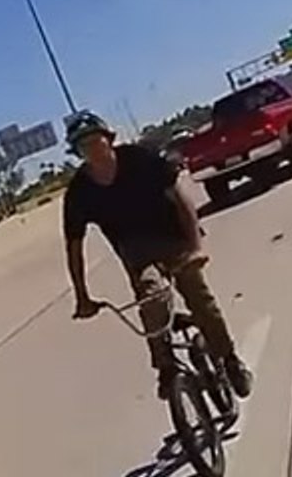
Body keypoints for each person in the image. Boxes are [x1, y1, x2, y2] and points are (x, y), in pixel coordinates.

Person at [63, 111, 253, 401]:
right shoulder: (80, 191)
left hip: (174, 236)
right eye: (83, 146)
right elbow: (74, 244)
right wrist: (82, 296)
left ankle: (230, 360)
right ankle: (166, 369)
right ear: (77, 153)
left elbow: (180, 197)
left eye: (95, 140)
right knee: (152, 299)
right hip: (136, 252)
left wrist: (195, 248)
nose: (92, 149)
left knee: (199, 296)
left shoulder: (139, 159)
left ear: (109, 139)